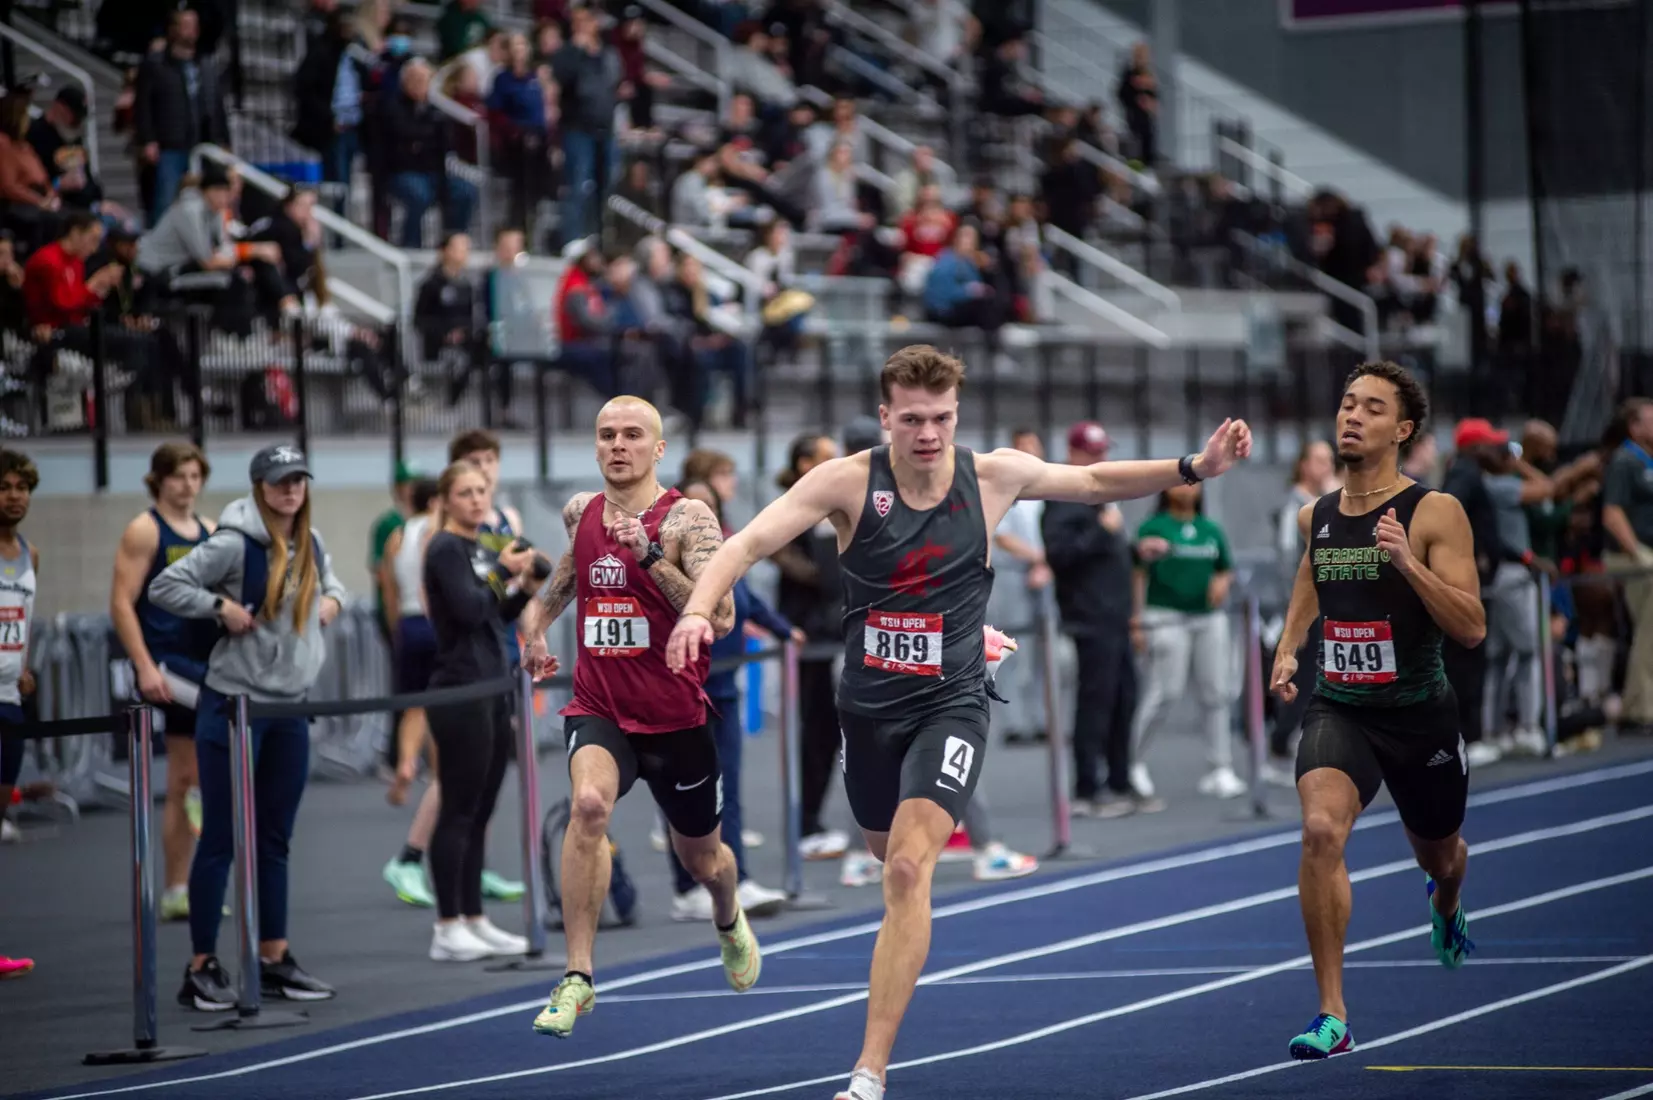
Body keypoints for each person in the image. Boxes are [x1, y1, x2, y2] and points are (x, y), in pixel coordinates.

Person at [664, 345, 1251, 1100]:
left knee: (909, 868)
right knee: (883, 853)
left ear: (956, 416)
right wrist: (691, 612)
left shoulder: (992, 475)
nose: (928, 434)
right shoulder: (846, 480)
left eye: (941, 419)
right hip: (869, 708)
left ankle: (867, 1072)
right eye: (911, 420)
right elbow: (745, 545)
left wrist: (1192, 468)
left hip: (951, 702)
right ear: (886, 418)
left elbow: (1095, 480)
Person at [518, 396, 759, 1039]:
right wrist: (538, 627)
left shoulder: (688, 519)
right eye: (606, 435)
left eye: (632, 435)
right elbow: (569, 576)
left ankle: (729, 915)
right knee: (589, 807)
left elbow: (723, 617)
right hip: (601, 707)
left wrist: (651, 554)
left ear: (658, 449)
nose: (617, 445)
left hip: (677, 719)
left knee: (703, 863)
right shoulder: (581, 512)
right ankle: (577, 976)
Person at [1269, 361, 1485, 1060]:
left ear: (1403, 429)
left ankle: (1445, 904)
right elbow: (1312, 571)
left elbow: (1471, 627)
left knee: (1442, 855)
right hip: (1342, 709)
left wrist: (1407, 564)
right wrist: (1288, 644)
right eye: (1345, 403)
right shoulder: (1317, 514)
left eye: (1370, 407)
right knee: (1319, 831)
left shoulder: (1433, 512)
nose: (1351, 416)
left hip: (1419, 715)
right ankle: (1331, 1013)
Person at [149, 444, 347, 1010]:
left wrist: (331, 602)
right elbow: (165, 586)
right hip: (235, 705)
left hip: (288, 707)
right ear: (260, 486)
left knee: (275, 839)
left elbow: (336, 585)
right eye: (281, 481)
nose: (291, 490)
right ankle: (201, 966)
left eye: (299, 481)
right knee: (222, 837)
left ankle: (273, 956)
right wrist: (219, 607)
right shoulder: (233, 543)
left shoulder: (309, 541)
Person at [421, 460, 545, 961]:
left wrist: (525, 591)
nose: (477, 500)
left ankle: (474, 916)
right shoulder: (445, 547)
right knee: (457, 809)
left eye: (482, 492)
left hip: (494, 685)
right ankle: (446, 924)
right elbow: (469, 609)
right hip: (459, 690)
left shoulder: (477, 546)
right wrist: (504, 571)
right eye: (465, 493)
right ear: (446, 500)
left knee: (482, 809)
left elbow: (493, 616)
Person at [662, 475, 793, 922]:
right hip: (681, 693)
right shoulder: (661, 562)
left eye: (710, 510)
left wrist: (783, 631)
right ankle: (688, 889)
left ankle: (737, 876)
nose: (703, 519)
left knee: (729, 790)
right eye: (692, 511)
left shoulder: (726, 555)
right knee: (686, 795)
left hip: (724, 690)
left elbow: (749, 601)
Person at [109, 442, 218, 923]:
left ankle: (183, 885)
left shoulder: (212, 531)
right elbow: (120, 602)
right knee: (184, 775)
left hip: (205, 663)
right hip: (167, 662)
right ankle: (176, 885)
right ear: (159, 480)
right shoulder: (144, 530)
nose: (188, 485)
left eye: (195, 475)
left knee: (187, 778)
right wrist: (144, 665)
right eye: (178, 476)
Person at [380, 477, 443, 907]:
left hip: (407, 623)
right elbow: (429, 578)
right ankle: (435, 770)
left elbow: (388, 585)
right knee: (437, 708)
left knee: (413, 707)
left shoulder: (396, 534)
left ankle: (406, 761)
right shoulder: (436, 532)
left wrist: (394, 626)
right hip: (431, 619)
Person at [0, 449, 39, 980]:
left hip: (10, 698)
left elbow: (24, 618)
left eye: (22, 487)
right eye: (5, 486)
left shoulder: (32, 552)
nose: (14, 496)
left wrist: (24, 666)